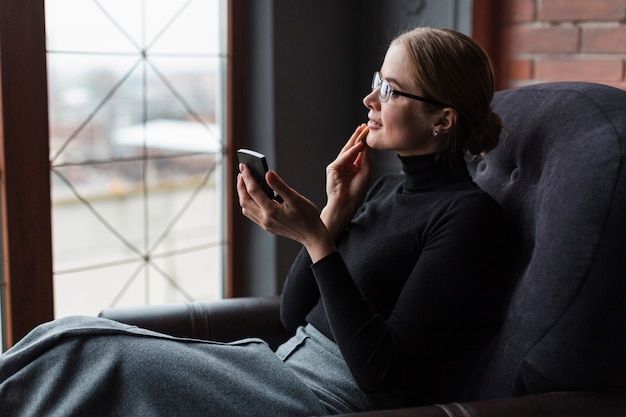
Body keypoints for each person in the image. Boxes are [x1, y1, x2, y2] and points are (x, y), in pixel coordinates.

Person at [0, 27, 508, 416]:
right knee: (67, 334)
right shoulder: (382, 190)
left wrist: (313, 236)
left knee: (95, 359)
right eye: (378, 82)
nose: (370, 100)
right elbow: (294, 315)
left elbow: (381, 372)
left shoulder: (467, 218)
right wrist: (333, 212)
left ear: (443, 119)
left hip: (322, 399)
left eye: (392, 91)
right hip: (278, 364)